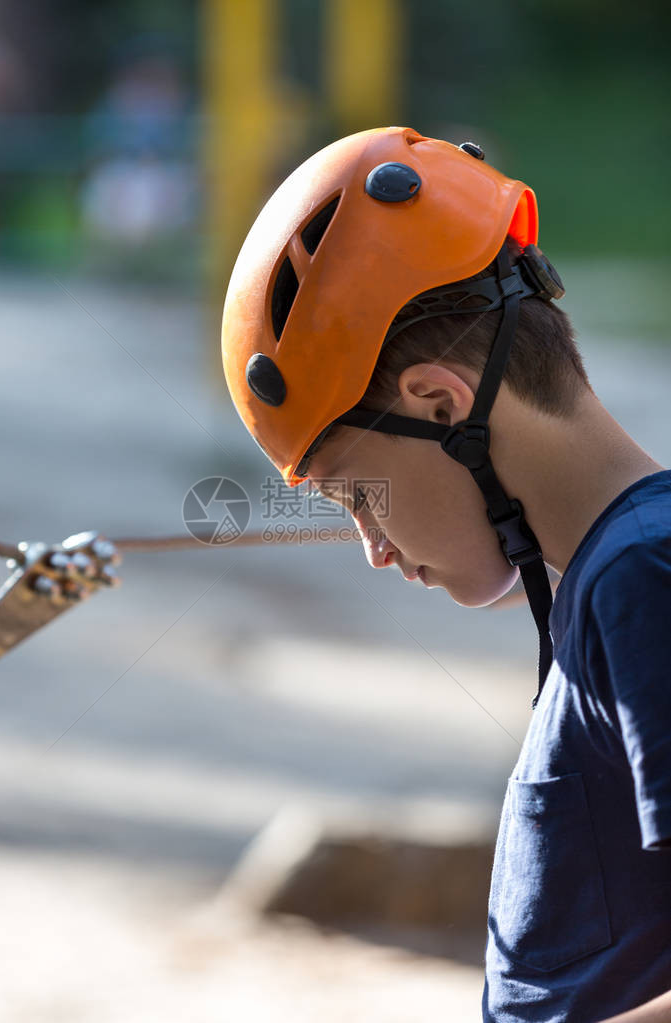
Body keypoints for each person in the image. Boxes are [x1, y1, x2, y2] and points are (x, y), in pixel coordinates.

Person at [220, 127, 671, 1022]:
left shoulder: (644, 576)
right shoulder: (608, 578)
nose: (371, 546)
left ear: (439, 402)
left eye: (358, 492)